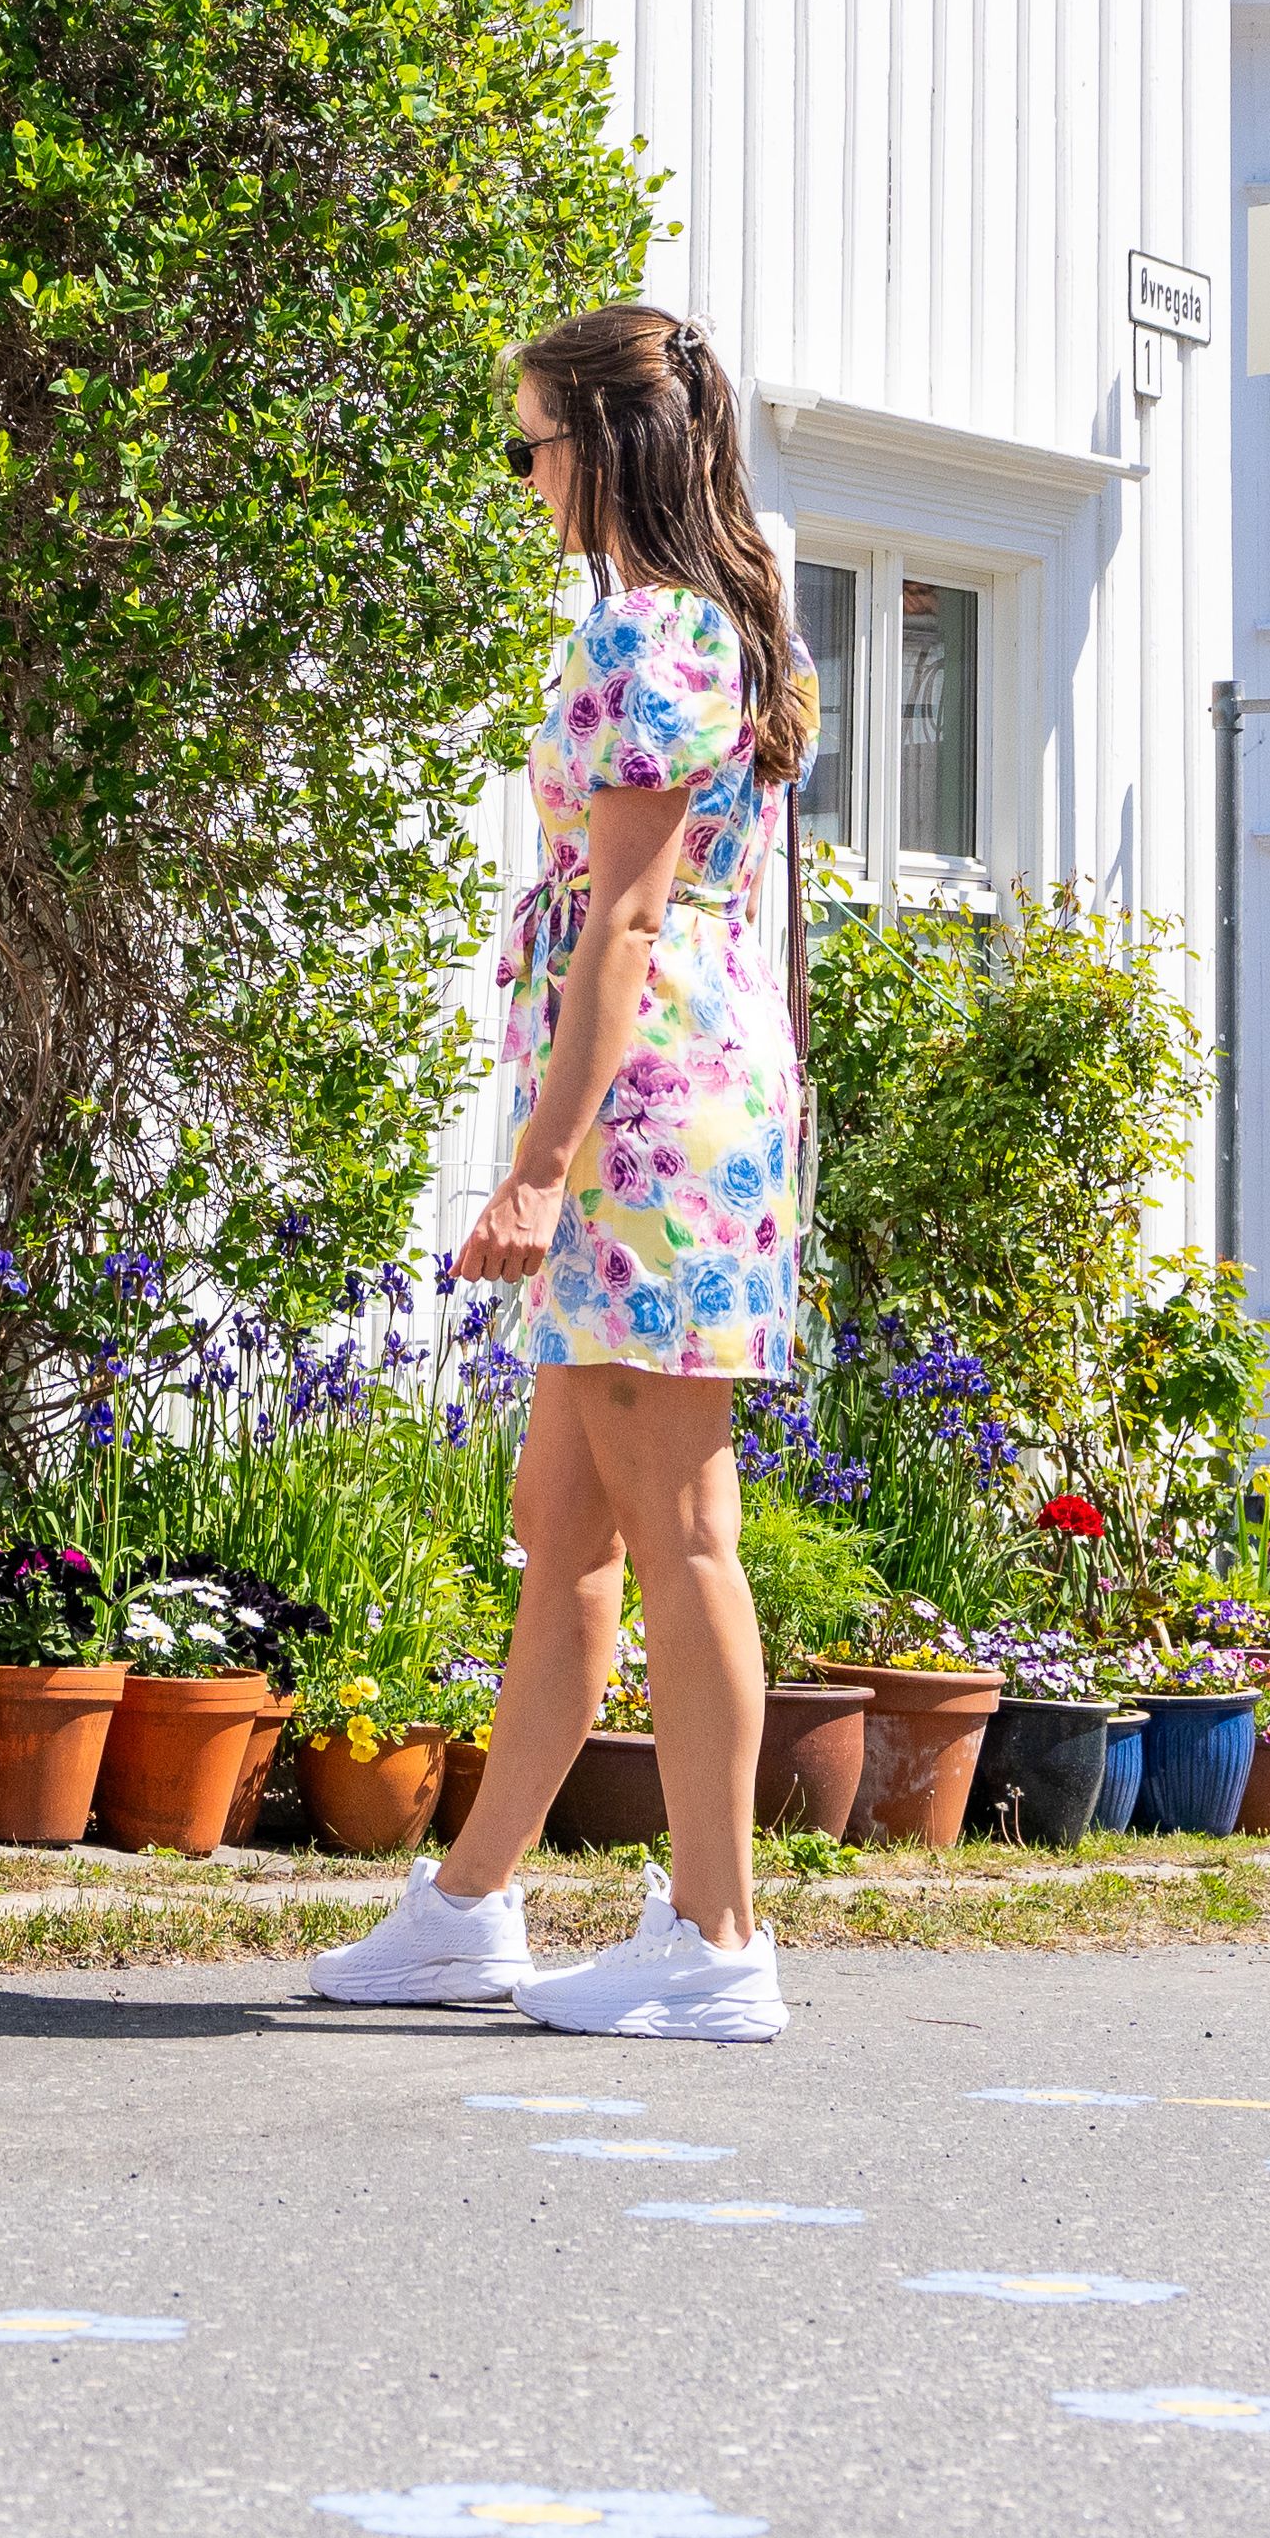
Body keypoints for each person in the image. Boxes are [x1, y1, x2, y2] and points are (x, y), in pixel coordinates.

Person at [313, 304, 816, 2043]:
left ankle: (718, 1930)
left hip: (647, 1123)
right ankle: (466, 1907)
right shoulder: (680, 623)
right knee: (567, 1536)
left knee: (680, 1532)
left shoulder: (661, 633)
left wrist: (535, 1169)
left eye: (529, 442)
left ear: (606, 444)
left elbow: (623, 915)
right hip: (661, 1108)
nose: (519, 475)